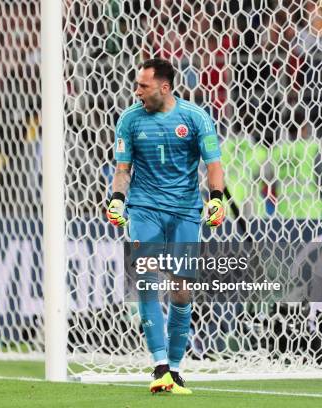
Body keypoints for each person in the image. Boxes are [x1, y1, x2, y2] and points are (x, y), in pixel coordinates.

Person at [105, 58, 225, 394]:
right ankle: (159, 366)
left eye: (143, 85)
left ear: (164, 87)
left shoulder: (195, 117)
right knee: (146, 280)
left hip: (185, 211)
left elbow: (213, 165)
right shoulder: (129, 119)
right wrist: (117, 198)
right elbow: (122, 168)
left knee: (181, 290)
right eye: (137, 84)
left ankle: (174, 368)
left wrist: (216, 198)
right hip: (144, 208)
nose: (137, 90)